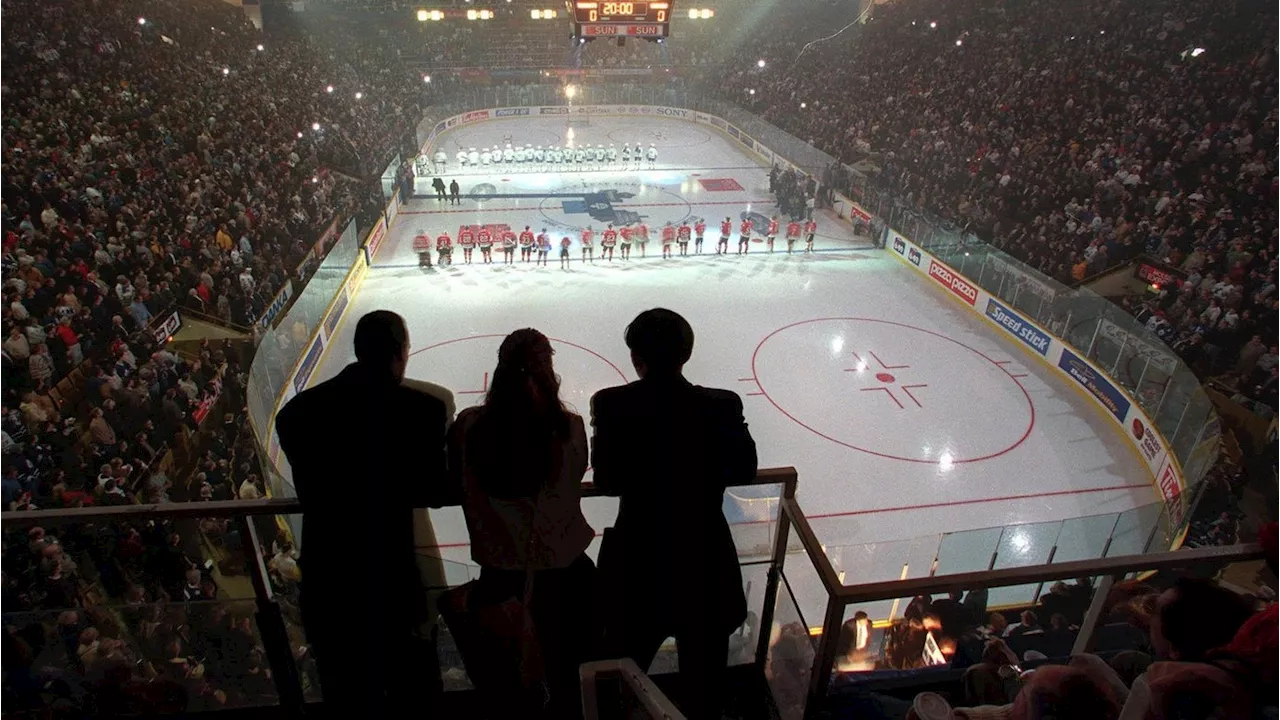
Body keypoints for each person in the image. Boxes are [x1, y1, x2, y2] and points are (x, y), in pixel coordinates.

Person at [275, 310, 455, 719]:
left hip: (329, 583)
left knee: (347, 696)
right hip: (394, 584)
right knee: (415, 693)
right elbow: (436, 491)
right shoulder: (423, 409)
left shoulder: (296, 414)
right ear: (402, 352)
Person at [591, 309, 758, 719]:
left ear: (636, 358)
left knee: (617, 682)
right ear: (686, 354)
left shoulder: (612, 404)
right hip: (704, 566)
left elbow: (607, 482)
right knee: (704, 693)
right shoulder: (721, 405)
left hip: (639, 566)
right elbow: (744, 469)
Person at [449, 329, 595, 718]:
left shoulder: (467, 429)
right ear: (550, 372)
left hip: (499, 585)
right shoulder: (571, 429)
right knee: (571, 684)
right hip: (567, 580)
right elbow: (574, 477)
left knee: (509, 690)